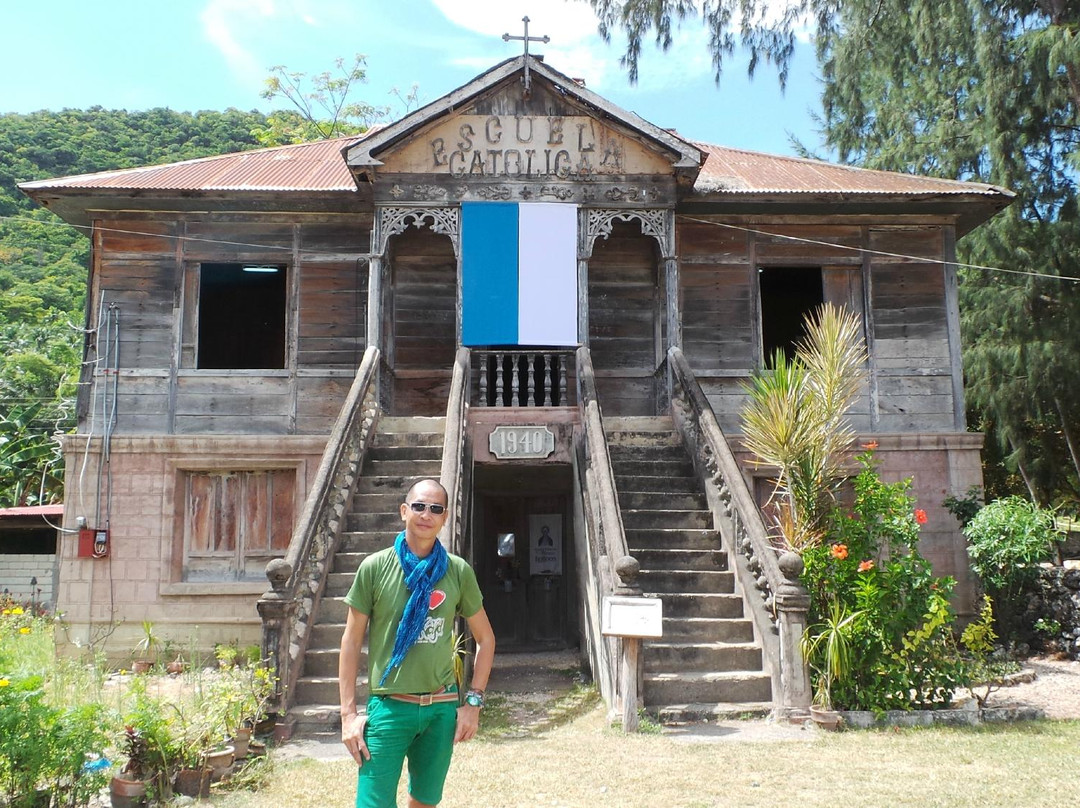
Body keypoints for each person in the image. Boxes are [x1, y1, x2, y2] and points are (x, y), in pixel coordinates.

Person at [339, 478, 495, 808]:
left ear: (445, 517)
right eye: (420, 506)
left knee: (424, 801)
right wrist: (347, 715)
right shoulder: (375, 567)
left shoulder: (457, 571)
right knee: (373, 803)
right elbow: (351, 642)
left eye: (436, 508)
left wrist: (473, 705)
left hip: (441, 710)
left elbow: (485, 639)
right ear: (404, 511)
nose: (426, 514)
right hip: (390, 706)